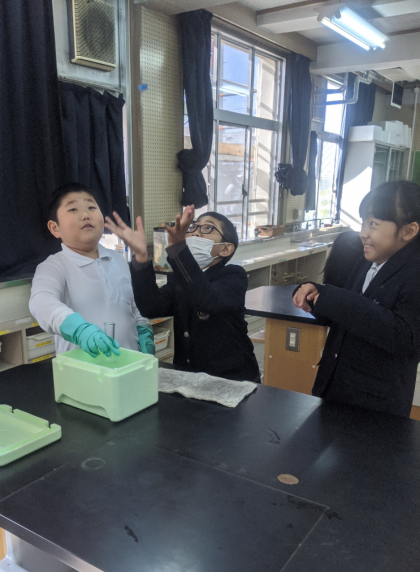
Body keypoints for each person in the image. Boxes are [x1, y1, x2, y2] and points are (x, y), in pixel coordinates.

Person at [293, 181, 420, 417]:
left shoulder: (414, 272)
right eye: (363, 222)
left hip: (374, 407)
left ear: (408, 231)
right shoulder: (368, 260)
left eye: (373, 224)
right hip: (335, 387)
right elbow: (352, 312)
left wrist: (334, 299)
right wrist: (316, 294)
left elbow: (405, 337)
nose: (363, 233)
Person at [104, 206, 261, 382]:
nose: (195, 232)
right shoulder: (180, 279)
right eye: (193, 227)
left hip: (232, 379)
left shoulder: (233, 276)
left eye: (208, 228)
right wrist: (141, 257)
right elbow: (151, 306)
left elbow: (206, 298)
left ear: (225, 249)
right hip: (188, 378)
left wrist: (178, 248)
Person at [29, 183, 155, 357]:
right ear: (55, 228)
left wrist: (143, 327)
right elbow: (41, 302)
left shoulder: (118, 259)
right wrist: (80, 330)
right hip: (85, 369)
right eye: (73, 209)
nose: (85, 215)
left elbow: (133, 307)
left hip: (128, 364)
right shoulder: (54, 266)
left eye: (91, 207)